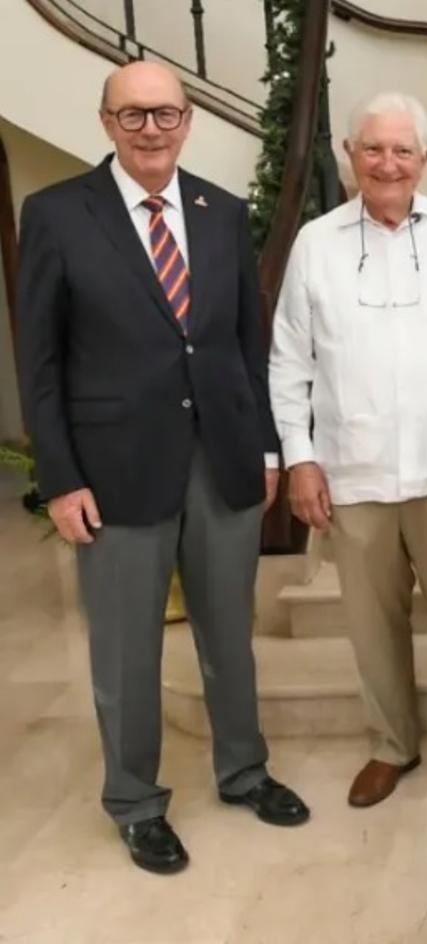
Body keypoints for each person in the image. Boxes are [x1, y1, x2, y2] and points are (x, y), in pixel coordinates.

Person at [16, 62, 309, 874]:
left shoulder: (222, 213)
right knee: (125, 651)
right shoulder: (55, 215)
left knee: (229, 636)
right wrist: (63, 478)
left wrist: (266, 446)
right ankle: (137, 802)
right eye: (134, 115)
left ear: (188, 121)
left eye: (167, 114)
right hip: (112, 474)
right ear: (107, 122)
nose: (153, 129)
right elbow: (37, 364)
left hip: (222, 460)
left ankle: (244, 771)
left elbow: (244, 343)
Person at [269, 90, 427, 805]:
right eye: (373, 148)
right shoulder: (317, 244)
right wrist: (300, 455)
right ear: (349, 156)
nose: (388, 162)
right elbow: (288, 360)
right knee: (371, 620)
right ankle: (391, 744)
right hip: (354, 468)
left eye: (403, 149)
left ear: (425, 159)